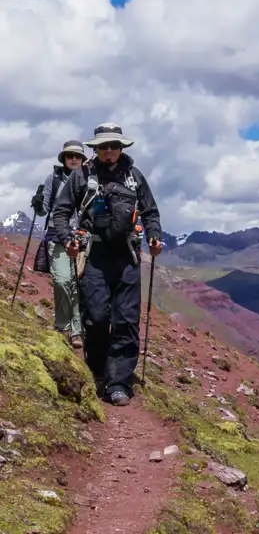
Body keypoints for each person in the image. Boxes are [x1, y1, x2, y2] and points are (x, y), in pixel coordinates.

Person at [51, 123, 163, 406]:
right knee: (97, 317)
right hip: (95, 256)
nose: (109, 151)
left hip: (127, 257)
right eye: (104, 146)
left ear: (121, 148)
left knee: (126, 321)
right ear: (96, 149)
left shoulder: (134, 177)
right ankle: (98, 371)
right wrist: (67, 238)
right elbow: (62, 211)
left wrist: (155, 237)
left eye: (114, 146)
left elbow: (150, 212)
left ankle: (119, 383)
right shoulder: (81, 176)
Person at [32, 140, 87, 349]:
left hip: (82, 238)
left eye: (77, 156)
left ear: (82, 159)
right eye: (69, 155)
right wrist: (37, 203)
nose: (73, 159)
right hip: (56, 236)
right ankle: (66, 325)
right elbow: (43, 210)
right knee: (63, 281)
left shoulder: (89, 180)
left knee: (75, 283)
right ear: (64, 158)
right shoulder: (53, 179)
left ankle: (73, 330)